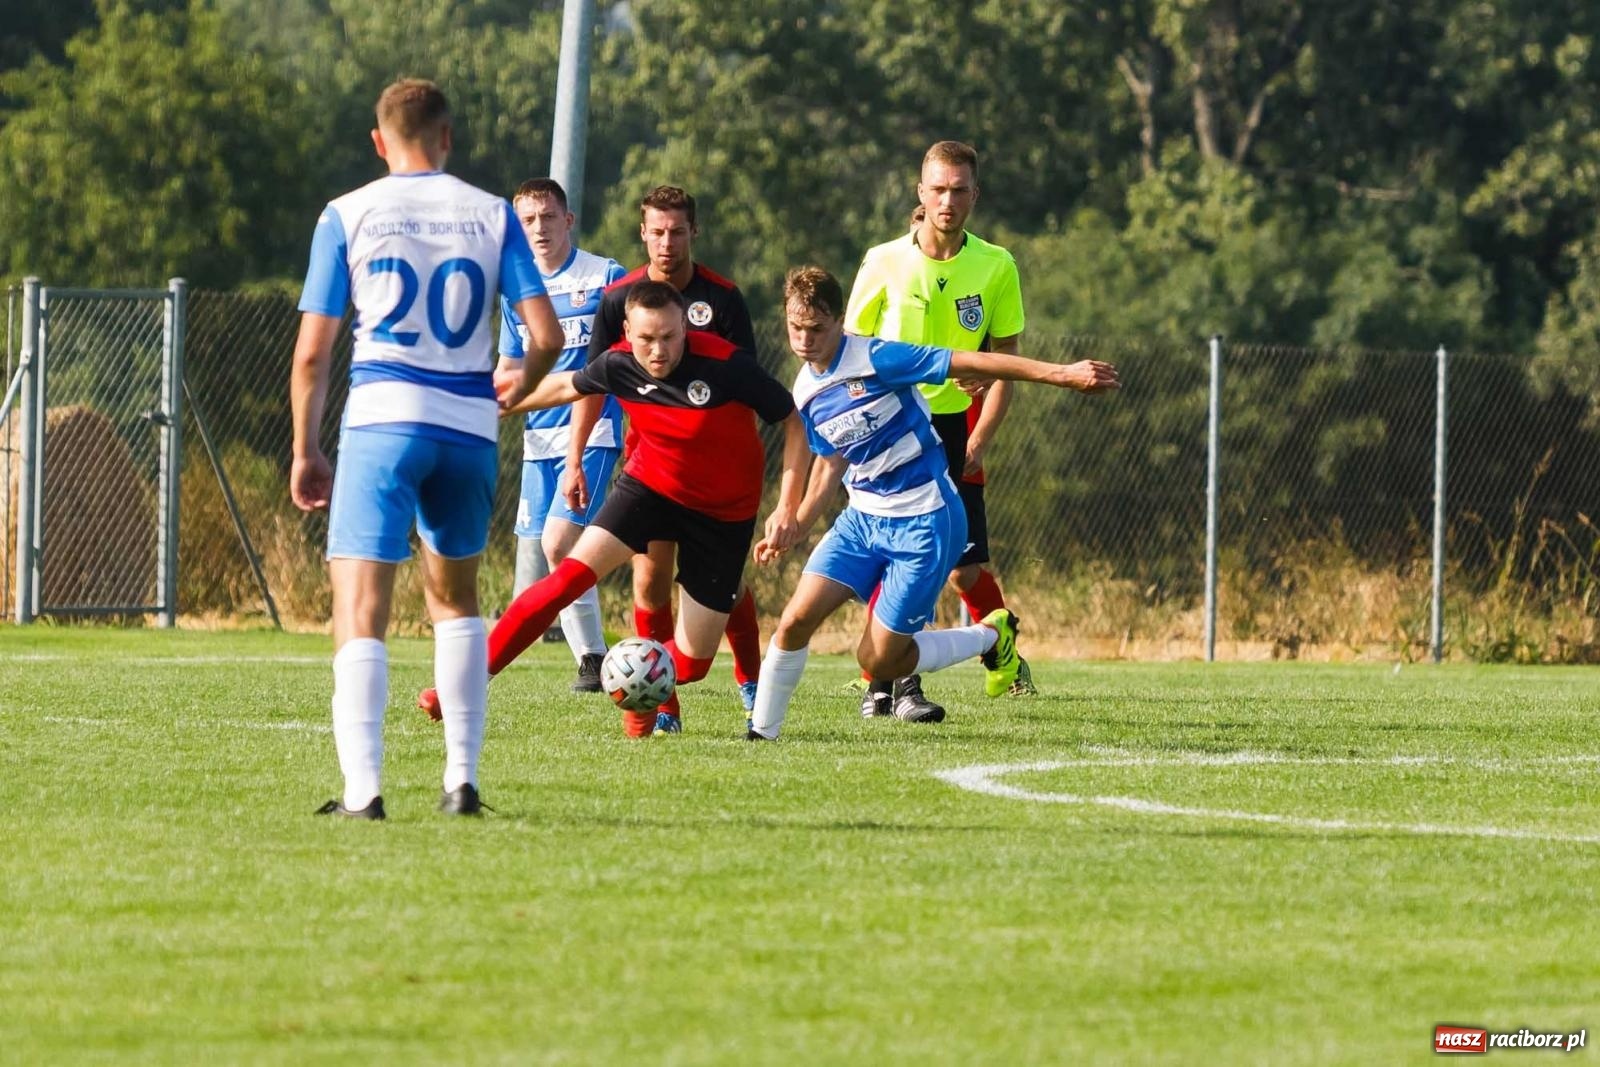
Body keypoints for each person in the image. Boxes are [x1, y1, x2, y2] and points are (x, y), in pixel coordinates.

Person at [290, 78, 562, 819]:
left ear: (379, 142)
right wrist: (515, 385)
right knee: (457, 599)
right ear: (447, 137)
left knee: (361, 603)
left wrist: (305, 448)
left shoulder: (346, 214)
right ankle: (462, 781)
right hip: (467, 425)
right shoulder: (492, 214)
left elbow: (314, 353)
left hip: (381, 417)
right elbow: (547, 337)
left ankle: (364, 791)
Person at [420, 281, 809, 737]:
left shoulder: (726, 364)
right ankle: (461, 687)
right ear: (627, 330)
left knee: (690, 665)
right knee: (566, 577)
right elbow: (563, 386)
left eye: (669, 336)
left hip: (721, 515)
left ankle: (660, 666)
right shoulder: (619, 362)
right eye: (646, 339)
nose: (659, 350)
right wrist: (482, 403)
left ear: (684, 327)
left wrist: (786, 506)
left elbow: (792, 422)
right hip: (649, 486)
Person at [747, 267, 1119, 739]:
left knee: (876, 658)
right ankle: (761, 734)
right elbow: (830, 464)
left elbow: (972, 362)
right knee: (795, 620)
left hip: (925, 519)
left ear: (840, 321)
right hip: (861, 521)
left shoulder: (878, 358)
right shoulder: (806, 387)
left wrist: (1061, 374)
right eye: (795, 327)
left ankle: (991, 635)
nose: (804, 339)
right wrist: (794, 524)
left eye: (816, 329)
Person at [844, 139, 1036, 722]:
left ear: (974, 195)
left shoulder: (996, 265)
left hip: (953, 426)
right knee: (899, 555)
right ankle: (889, 682)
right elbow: (850, 353)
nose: (947, 201)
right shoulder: (883, 261)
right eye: (938, 189)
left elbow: (1006, 360)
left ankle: (998, 651)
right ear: (920, 194)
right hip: (889, 428)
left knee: (960, 567)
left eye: (958, 190)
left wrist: (982, 438)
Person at [585, 186, 766, 715]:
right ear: (642, 233)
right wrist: (579, 458)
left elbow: (746, 387)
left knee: (721, 587)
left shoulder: (725, 298)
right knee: (649, 579)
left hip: (714, 477)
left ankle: (751, 680)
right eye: (657, 231)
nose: (667, 242)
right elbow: (594, 384)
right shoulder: (619, 298)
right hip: (652, 467)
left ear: (694, 233)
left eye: (677, 231)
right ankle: (663, 706)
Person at [495, 178, 626, 694]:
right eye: (527, 220)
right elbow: (508, 372)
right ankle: (595, 659)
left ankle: (593, 662)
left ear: (568, 220)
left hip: (595, 432)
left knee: (558, 542)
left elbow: (625, 358)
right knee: (558, 551)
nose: (539, 228)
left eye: (548, 217)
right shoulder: (515, 293)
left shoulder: (604, 277)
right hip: (539, 442)